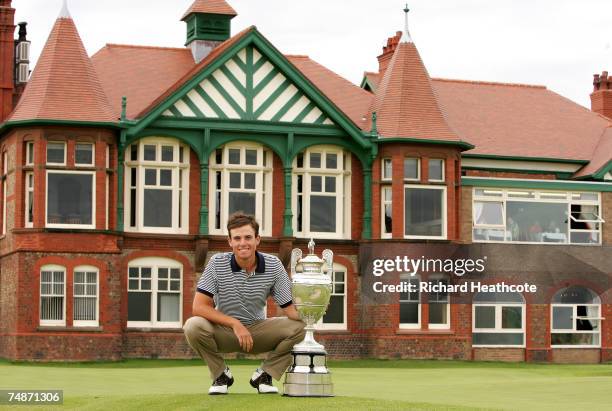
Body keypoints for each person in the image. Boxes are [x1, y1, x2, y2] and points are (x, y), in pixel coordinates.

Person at [183, 213, 305, 395]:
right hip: (224, 331)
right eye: (237, 238)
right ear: (230, 241)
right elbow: (199, 307)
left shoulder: (273, 265)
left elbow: (289, 309)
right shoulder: (217, 263)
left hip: (257, 331)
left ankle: (265, 375)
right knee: (192, 326)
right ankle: (220, 375)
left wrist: (310, 314)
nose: (243, 243)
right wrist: (235, 323)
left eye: (248, 237)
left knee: (302, 328)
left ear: (257, 239)